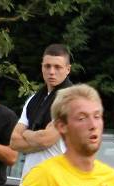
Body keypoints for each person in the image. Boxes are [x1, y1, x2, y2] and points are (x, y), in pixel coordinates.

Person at [10, 43, 73, 177]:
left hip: (58, 182)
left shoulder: (71, 99)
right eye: (47, 66)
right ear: (42, 67)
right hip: (30, 181)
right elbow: (14, 141)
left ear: (68, 69)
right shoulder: (33, 100)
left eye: (57, 67)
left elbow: (46, 140)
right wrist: (38, 138)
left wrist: (26, 133)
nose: (51, 71)